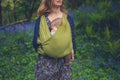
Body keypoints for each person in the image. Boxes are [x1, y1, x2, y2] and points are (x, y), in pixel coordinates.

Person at [33, 0, 76, 80]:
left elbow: (72, 41)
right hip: (46, 66)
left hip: (64, 66)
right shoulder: (41, 20)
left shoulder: (68, 19)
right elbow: (35, 43)